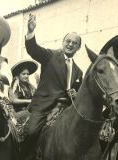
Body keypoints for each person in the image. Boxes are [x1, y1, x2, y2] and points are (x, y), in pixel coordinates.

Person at [24, 14, 83, 147]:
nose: (70, 44)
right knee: (32, 132)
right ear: (63, 42)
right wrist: (31, 31)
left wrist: (76, 94)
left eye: (75, 43)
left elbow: (78, 93)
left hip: (67, 108)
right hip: (44, 106)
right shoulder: (50, 56)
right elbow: (33, 50)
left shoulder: (79, 72)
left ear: (78, 48)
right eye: (68, 41)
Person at [8, 60, 38, 142]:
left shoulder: (30, 86)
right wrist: (29, 101)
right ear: (18, 75)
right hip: (17, 114)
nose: (26, 76)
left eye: (28, 74)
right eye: (23, 74)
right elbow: (13, 100)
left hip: (30, 111)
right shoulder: (14, 85)